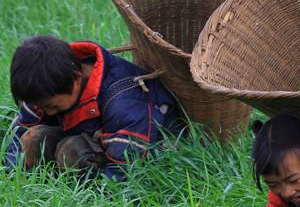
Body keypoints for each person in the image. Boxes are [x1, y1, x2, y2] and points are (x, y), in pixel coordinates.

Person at [5, 35, 180, 179]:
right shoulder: (46, 84)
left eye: (54, 107)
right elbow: (20, 130)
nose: (48, 112)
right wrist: (12, 171)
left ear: (76, 78)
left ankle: (80, 186)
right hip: (96, 137)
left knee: (72, 151)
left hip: (145, 147)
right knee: (34, 138)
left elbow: (126, 167)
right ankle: (47, 177)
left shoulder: (124, 101)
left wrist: (98, 197)